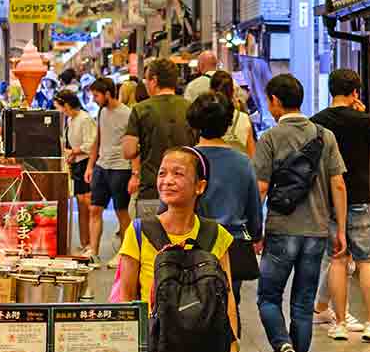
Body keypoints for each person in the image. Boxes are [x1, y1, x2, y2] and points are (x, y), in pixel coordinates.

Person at [111, 146, 238, 352]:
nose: (167, 180)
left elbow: (228, 297)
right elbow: (127, 297)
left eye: (178, 174)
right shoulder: (140, 231)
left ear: (200, 186)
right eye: (162, 173)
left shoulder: (216, 234)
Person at [253, 74, 347, 352]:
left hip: (281, 230)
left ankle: (282, 347)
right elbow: (338, 184)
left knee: (268, 297)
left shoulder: (270, 137)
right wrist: (341, 229)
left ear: (276, 101)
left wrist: (255, 229)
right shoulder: (325, 136)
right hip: (317, 232)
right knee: (303, 307)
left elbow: (261, 189)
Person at [310, 69, 370, 342]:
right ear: (355, 93)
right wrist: (364, 116)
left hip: (329, 200)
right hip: (360, 198)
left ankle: (339, 323)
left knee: (337, 258)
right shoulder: (361, 120)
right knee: (366, 261)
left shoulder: (318, 122)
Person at [190, 93, 263, 308]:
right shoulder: (243, 162)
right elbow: (254, 208)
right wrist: (256, 234)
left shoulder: (187, 159)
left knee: (196, 303)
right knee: (230, 301)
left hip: (194, 242)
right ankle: (231, 341)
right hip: (234, 244)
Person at [123, 59, 196, 224]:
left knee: (151, 244)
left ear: (154, 80)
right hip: (185, 190)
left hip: (152, 188)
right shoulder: (189, 107)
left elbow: (128, 151)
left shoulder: (140, 109)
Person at [85, 77, 133, 267]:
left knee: (122, 213)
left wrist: (135, 173)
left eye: (96, 95)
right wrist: (91, 166)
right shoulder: (102, 112)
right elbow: (98, 139)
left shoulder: (127, 114)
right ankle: (94, 253)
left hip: (121, 169)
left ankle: (124, 254)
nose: (94, 99)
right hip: (101, 168)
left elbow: (132, 143)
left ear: (107, 93)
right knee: (94, 209)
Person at [55, 90, 97, 257]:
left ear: (67, 105)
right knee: (81, 204)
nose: (60, 111)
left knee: (88, 204)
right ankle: (84, 242)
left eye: (61, 107)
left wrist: (73, 151)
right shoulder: (71, 120)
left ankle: (91, 244)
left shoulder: (85, 119)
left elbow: (91, 144)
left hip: (86, 164)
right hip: (77, 164)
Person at [211, 70, 255, 158]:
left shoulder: (206, 117)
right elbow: (252, 155)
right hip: (239, 168)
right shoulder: (244, 118)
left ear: (211, 91)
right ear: (232, 92)